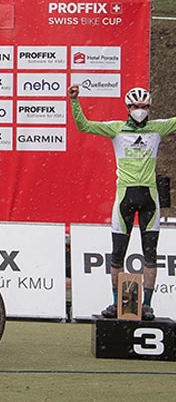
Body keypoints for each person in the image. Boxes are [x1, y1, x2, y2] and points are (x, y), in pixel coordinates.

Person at [69, 85, 175, 321]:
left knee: (151, 255)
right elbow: (84, 126)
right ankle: (117, 304)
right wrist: (74, 100)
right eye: (136, 107)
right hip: (124, 200)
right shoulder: (116, 128)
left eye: (145, 107)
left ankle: (147, 305)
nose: (141, 110)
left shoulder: (158, 128)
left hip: (150, 200)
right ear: (128, 108)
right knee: (117, 255)